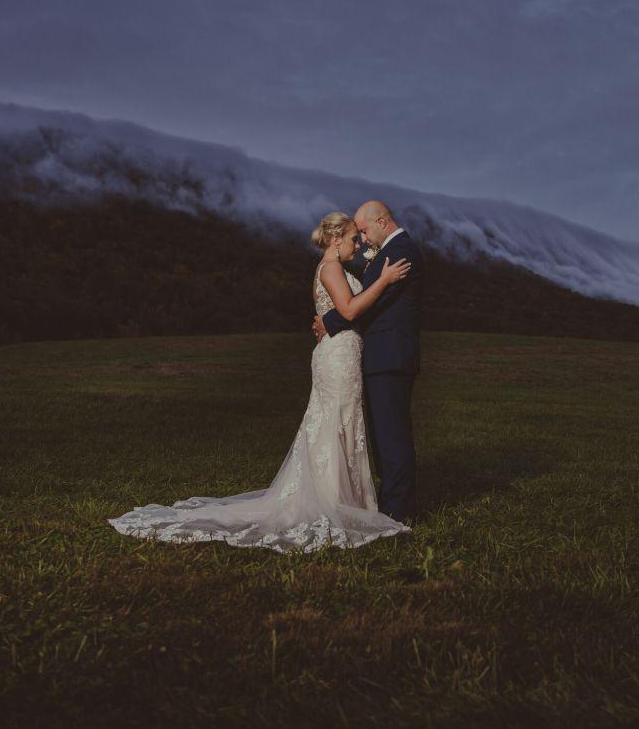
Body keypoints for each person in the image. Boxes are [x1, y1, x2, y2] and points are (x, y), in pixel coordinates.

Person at [107, 211, 413, 553]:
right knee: (333, 425)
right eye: (354, 240)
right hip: (337, 359)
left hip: (345, 356)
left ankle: (346, 502)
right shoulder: (330, 268)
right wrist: (384, 280)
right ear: (337, 238)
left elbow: (344, 313)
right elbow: (351, 311)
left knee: (344, 424)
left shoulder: (337, 268)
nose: (357, 246)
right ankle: (331, 504)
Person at [312, 200, 424, 524]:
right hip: (379, 356)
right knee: (382, 436)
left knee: (392, 436)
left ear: (381, 222)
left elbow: (370, 303)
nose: (362, 240)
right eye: (356, 234)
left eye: (363, 231)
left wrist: (328, 321)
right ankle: (387, 505)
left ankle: (398, 513)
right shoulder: (387, 252)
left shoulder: (401, 250)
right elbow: (361, 299)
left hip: (390, 356)